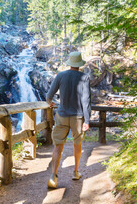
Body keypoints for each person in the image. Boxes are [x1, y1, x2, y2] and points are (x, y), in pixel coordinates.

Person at [46, 51, 91, 189]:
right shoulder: (84, 77)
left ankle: (53, 176)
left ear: (70, 63)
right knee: (77, 144)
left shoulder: (61, 75)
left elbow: (49, 95)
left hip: (62, 115)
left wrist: (49, 103)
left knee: (58, 146)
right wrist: (87, 120)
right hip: (77, 117)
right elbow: (86, 100)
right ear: (79, 64)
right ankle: (76, 172)